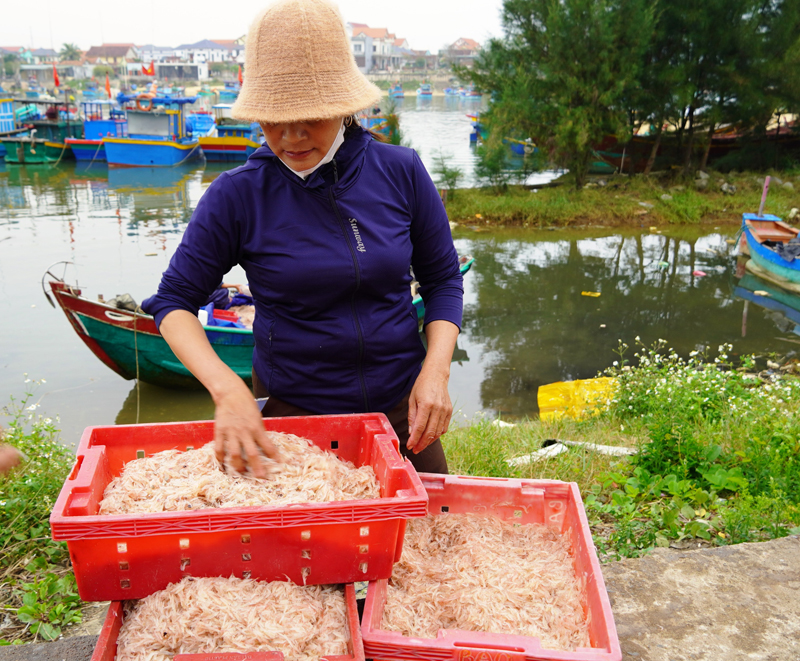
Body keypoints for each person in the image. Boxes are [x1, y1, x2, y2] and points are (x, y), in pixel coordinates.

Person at [142, 0, 463, 479]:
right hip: (294, 419)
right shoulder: (237, 195)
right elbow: (173, 303)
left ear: (341, 105)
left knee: (428, 537)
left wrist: (435, 372)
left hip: (402, 410)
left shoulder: (401, 171)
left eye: (309, 116)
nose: (290, 136)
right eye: (272, 119)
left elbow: (442, 282)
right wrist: (228, 391)